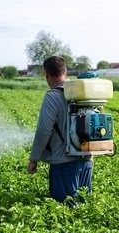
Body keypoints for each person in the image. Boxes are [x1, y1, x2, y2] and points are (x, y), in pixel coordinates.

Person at [27, 56, 93, 205]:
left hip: (64, 163)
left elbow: (44, 131)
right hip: (87, 159)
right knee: (84, 209)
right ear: (65, 71)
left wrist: (34, 159)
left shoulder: (53, 96)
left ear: (46, 74)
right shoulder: (83, 93)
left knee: (65, 210)